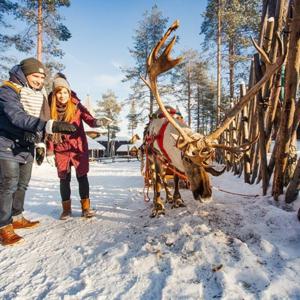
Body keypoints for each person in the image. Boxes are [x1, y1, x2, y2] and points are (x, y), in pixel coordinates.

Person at [0, 58, 77, 246]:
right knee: (8, 184)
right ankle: (3, 226)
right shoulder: (7, 91)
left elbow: (41, 116)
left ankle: (17, 216)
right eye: (36, 76)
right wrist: (48, 125)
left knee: (22, 183)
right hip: (7, 144)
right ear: (25, 74)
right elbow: (16, 117)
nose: (39, 80)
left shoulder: (38, 94)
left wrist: (40, 142)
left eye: (42, 77)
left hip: (27, 145)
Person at [46, 73, 111, 220]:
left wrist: (99, 122)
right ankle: (66, 210)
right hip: (60, 149)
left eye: (64, 92)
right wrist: (50, 151)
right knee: (64, 179)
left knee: (82, 177)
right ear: (54, 94)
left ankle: (86, 208)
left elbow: (89, 119)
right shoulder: (50, 108)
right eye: (58, 93)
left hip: (78, 148)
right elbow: (49, 131)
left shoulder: (76, 105)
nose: (62, 96)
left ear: (69, 92)